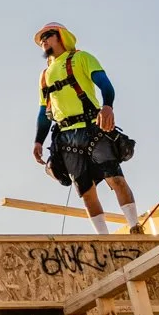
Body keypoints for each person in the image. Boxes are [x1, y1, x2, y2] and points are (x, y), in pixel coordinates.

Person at [31, 22, 140, 234]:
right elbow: (43, 111)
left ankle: (135, 226)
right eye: (41, 38)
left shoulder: (81, 58)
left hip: (93, 128)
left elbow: (105, 85)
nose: (43, 40)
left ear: (61, 36)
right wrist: (38, 140)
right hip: (65, 138)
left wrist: (107, 106)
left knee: (115, 178)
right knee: (86, 192)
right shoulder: (44, 76)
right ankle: (104, 239)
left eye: (48, 35)